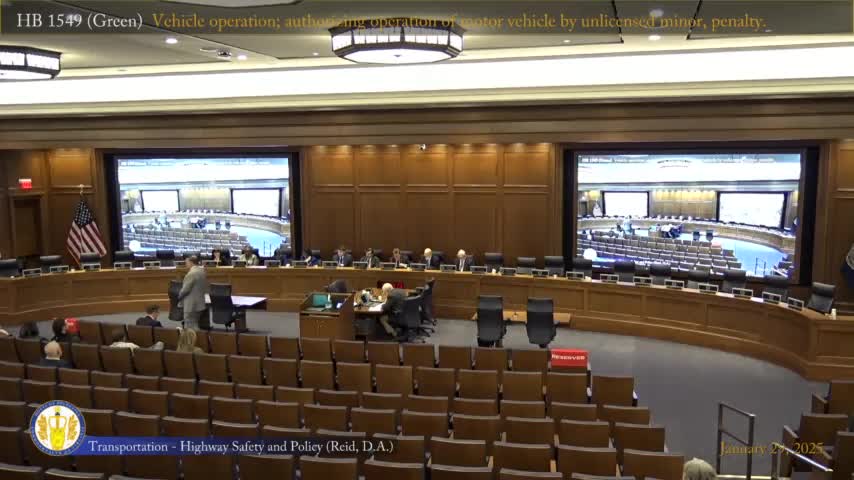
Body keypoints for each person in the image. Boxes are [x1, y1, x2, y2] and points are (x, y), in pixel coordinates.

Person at [178, 255, 209, 330]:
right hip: (200, 303)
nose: (186, 264)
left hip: (191, 305)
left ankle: (193, 338)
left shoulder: (191, 274)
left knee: (189, 327)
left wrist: (179, 297)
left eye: (186, 262)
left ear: (191, 262)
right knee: (195, 324)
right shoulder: (202, 271)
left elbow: (185, 290)